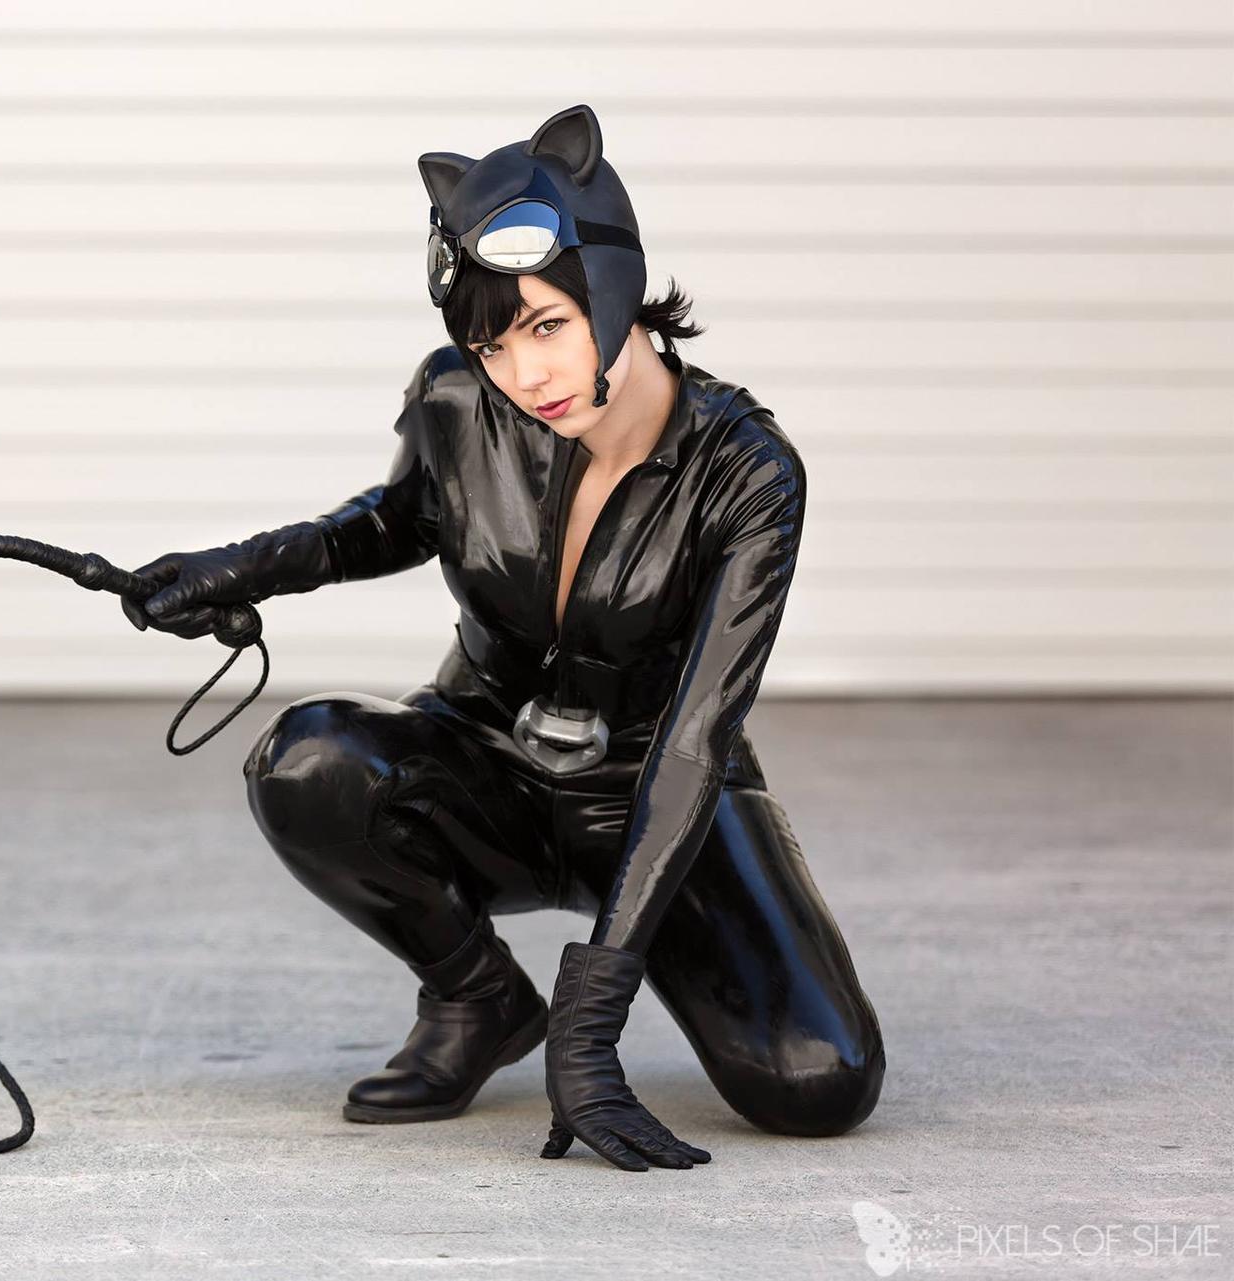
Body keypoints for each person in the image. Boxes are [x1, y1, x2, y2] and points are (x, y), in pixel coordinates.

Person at [124, 105, 884, 1171]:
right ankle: (478, 999)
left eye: (547, 326)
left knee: (819, 1082)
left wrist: (595, 1016)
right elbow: (394, 522)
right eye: (492, 343)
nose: (525, 375)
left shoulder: (750, 474)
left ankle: (583, 992)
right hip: (489, 763)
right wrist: (238, 568)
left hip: (657, 791)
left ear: (611, 287)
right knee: (308, 763)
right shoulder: (456, 400)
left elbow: (697, 740)